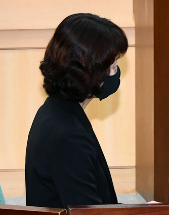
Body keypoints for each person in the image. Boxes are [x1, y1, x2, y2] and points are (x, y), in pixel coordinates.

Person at [25, 13, 128, 209]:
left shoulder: (55, 111)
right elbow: (89, 213)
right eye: (113, 65)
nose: (116, 72)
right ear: (90, 74)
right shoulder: (69, 137)